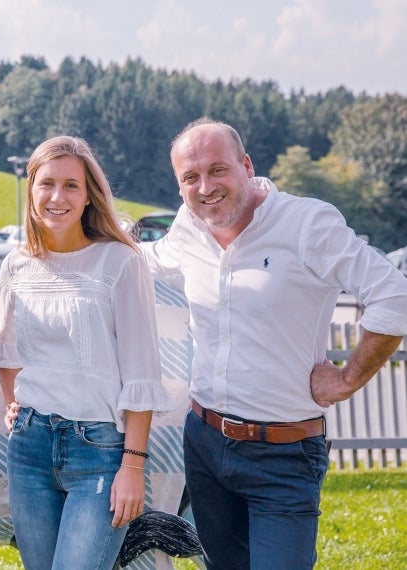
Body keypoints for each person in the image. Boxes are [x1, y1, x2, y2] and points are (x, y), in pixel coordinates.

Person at [142, 117, 407, 569]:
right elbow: (146, 261)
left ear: (246, 165)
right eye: (190, 177)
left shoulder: (307, 224)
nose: (205, 187)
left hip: (284, 454)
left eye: (217, 169)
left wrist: (347, 379)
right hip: (204, 442)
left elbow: (394, 296)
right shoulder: (189, 226)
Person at [0, 135, 173, 570]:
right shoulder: (17, 264)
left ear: (89, 195)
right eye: (47, 183)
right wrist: (14, 401)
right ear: (31, 189)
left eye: (71, 185)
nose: (57, 196)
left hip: (100, 450)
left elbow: (141, 373)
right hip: (29, 447)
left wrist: (132, 467)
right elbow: (3, 346)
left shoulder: (120, 262)